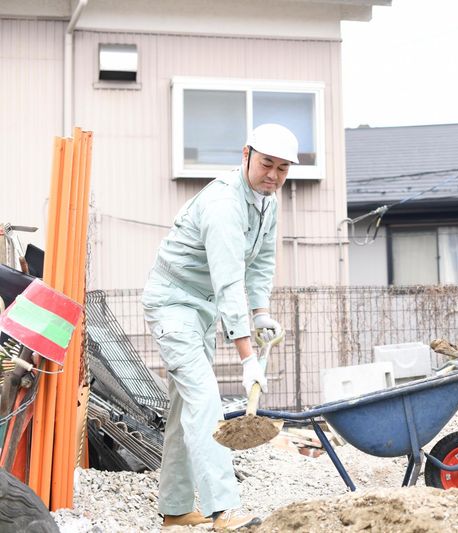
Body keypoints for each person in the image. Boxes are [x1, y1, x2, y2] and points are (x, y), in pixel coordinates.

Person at [142, 123, 298, 530]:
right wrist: (248, 358)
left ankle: (175, 510)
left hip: (203, 307)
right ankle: (223, 510)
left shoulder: (267, 201)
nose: (274, 176)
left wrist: (261, 313)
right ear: (246, 154)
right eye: (267, 164)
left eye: (283, 169)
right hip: (174, 303)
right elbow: (229, 283)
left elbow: (260, 264)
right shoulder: (224, 205)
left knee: (184, 410)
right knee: (206, 400)